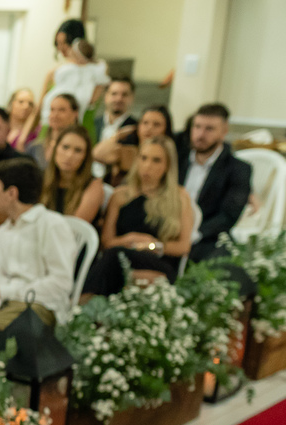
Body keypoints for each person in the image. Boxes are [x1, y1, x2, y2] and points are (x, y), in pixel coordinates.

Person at [0, 158, 75, 352]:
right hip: (7, 305)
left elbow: (61, 283)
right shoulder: (0, 234)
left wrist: (6, 293)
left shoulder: (50, 224)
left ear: (11, 193)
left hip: (41, 307)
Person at [81, 135, 193, 295]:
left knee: (114, 262)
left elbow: (184, 246)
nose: (147, 165)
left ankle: (83, 306)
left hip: (157, 261)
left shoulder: (179, 196)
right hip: (120, 257)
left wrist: (153, 246)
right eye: (143, 158)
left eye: (156, 160)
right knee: (115, 259)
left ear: (168, 165)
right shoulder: (120, 195)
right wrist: (128, 240)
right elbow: (107, 242)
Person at [173, 103, 252, 261]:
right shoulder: (176, 159)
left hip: (207, 237)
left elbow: (228, 216)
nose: (200, 134)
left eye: (209, 129)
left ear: (224, 132)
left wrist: (192, 233)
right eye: (197, 127)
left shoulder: (238, 169)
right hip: (170, 229)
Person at [39, 20, 108, 123]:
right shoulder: (54, 72)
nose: (61, 48)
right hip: (51, 126)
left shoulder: (96, 71)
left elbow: (91, 102)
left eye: (65, 43)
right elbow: (39, 107)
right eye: (58, 43)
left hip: (82, 126)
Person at [93, 105, 172, 187]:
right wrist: (118, 135)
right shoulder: (127, 151)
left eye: (156, 124)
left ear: (166, 129)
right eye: (145, 123)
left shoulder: (169, 156)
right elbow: (96, 154)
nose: (149, 128)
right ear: (138, 126)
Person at [39, 124, 105, 223]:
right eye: (65, 147)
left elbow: (75, 227)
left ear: (85, 157)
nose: (69, 155)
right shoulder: (41, 177)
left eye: (78, 150)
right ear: (56, 148)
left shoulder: (93, 185)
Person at [90, 78, 137, 176]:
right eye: (114, 94)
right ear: (105, 96)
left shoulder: (136, 128)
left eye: (124, 95)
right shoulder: (92, 124)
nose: (119, 99)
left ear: (131, 98)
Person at [27, 93, 79, 171]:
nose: (55, 115)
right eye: (52, 109)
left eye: (62, 110)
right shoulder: (35, 147)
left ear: (75, 114)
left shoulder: (79, 148)